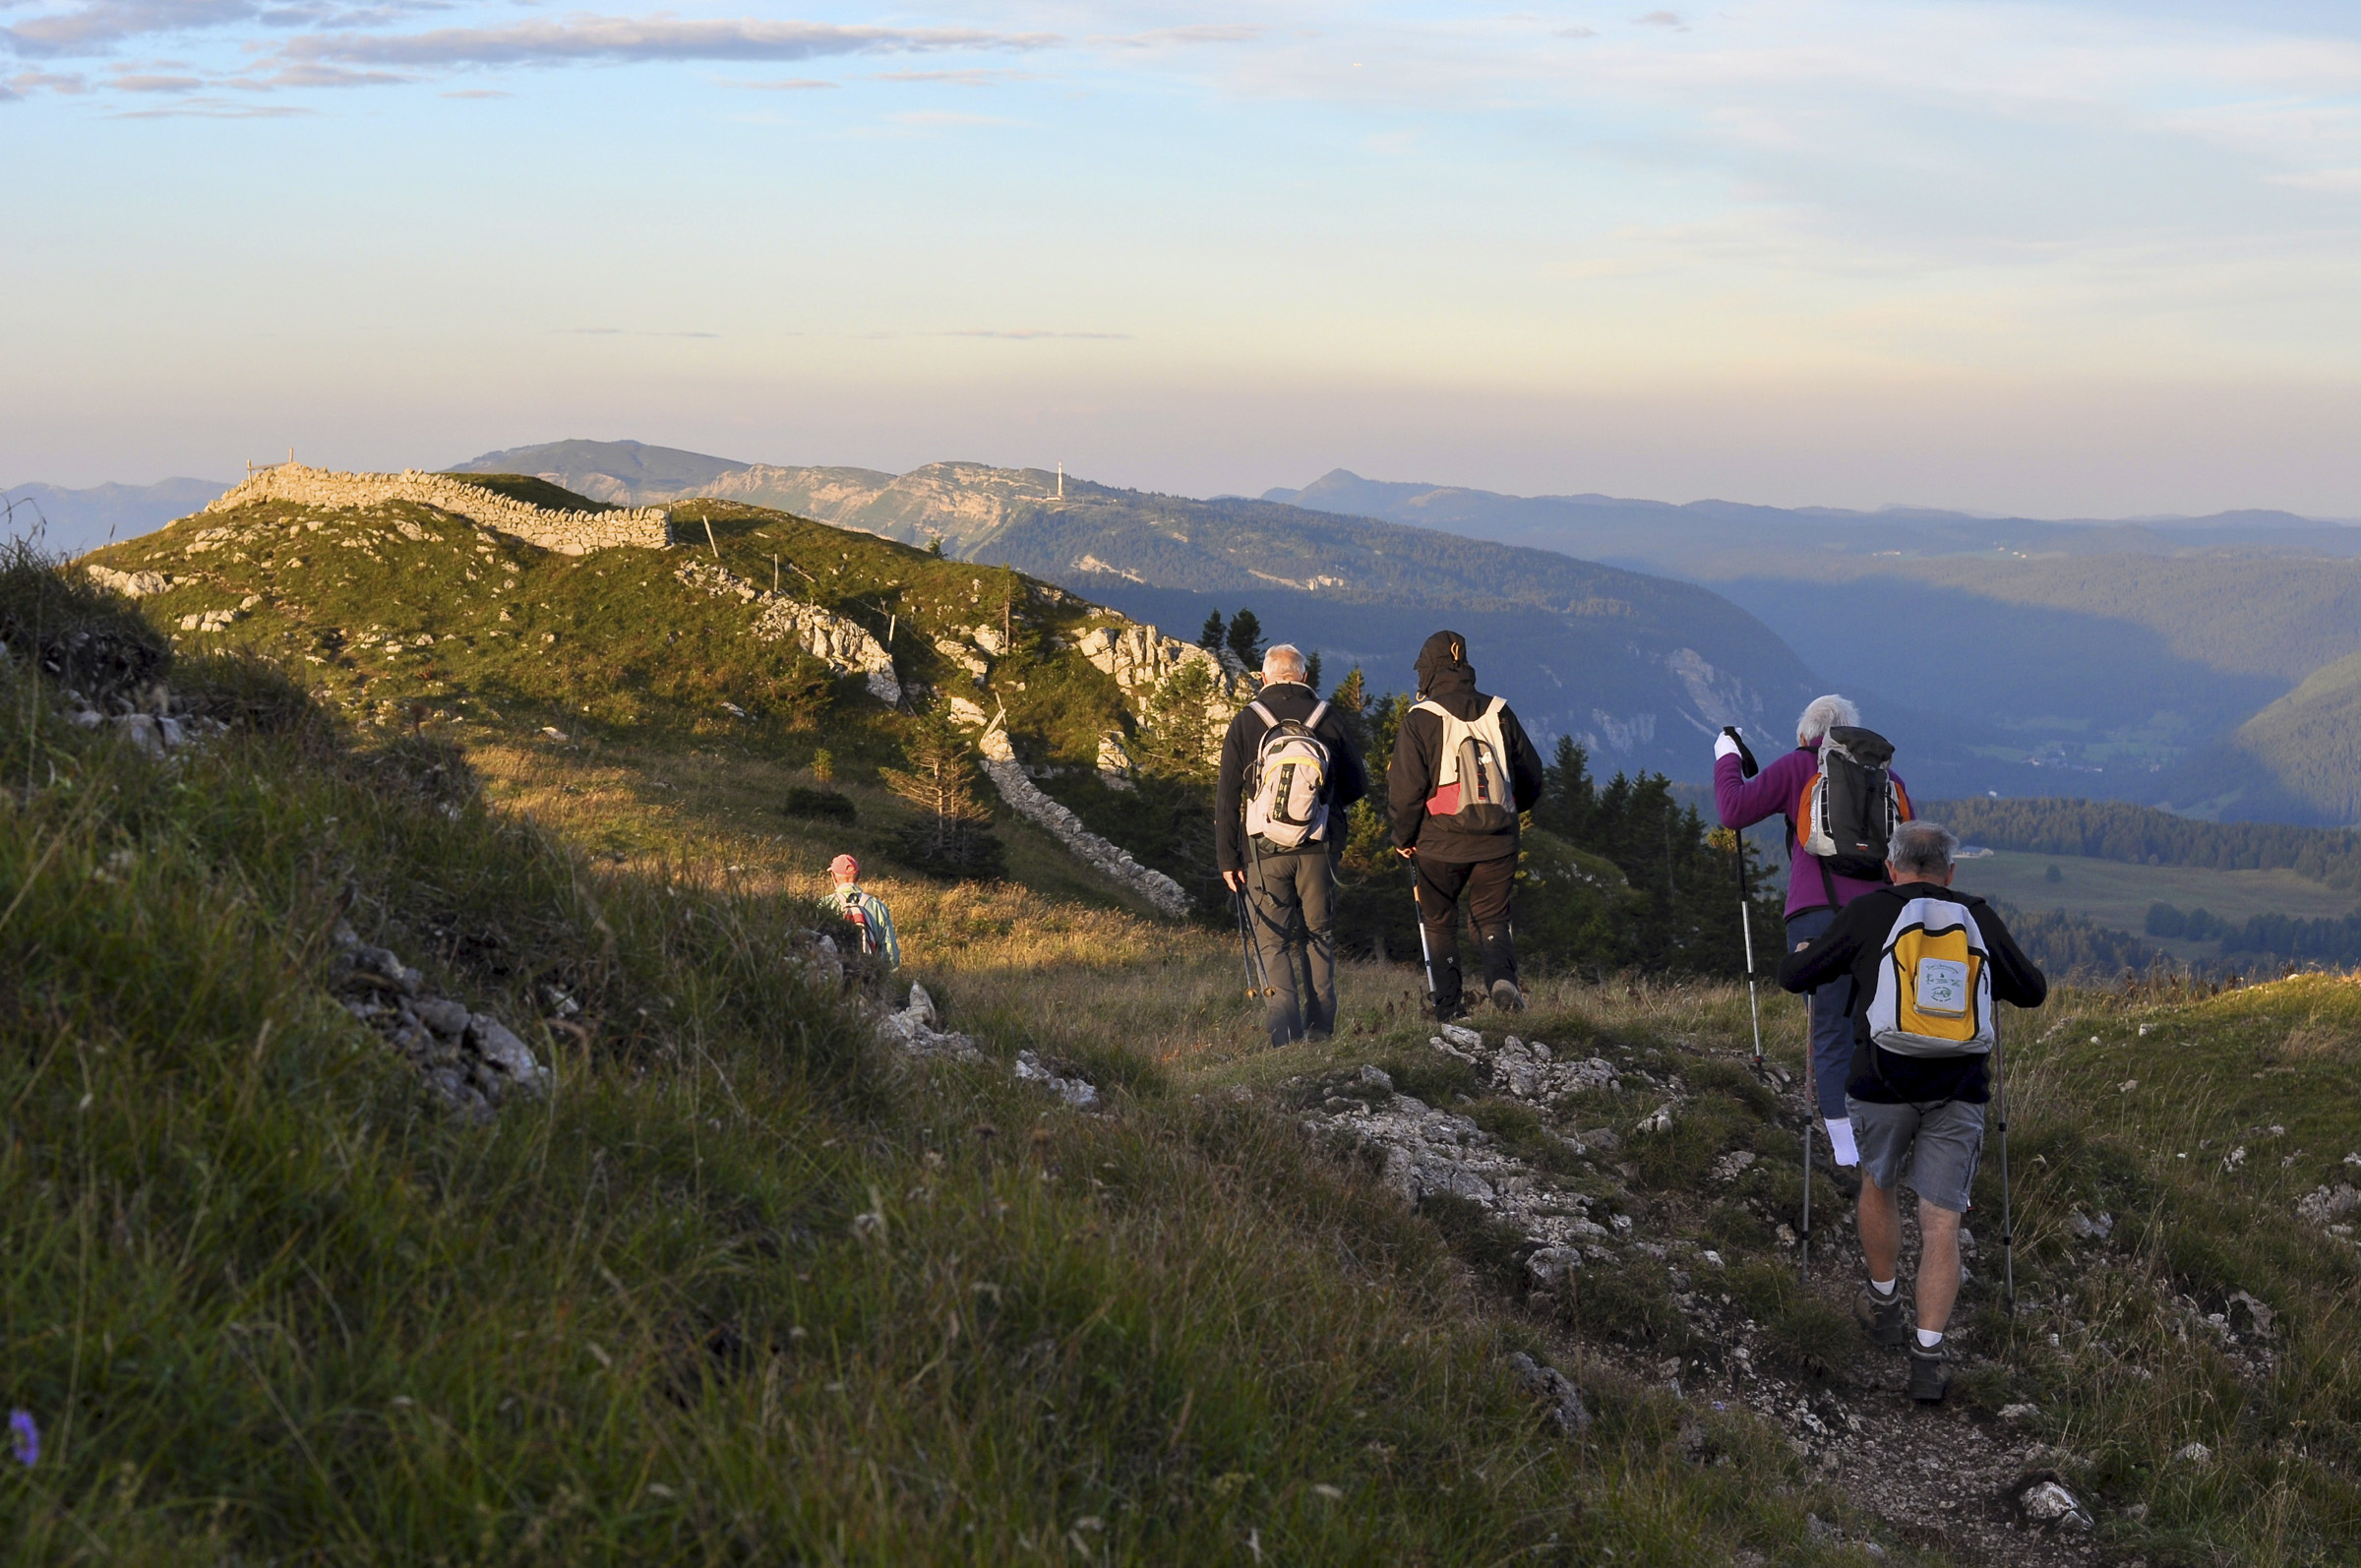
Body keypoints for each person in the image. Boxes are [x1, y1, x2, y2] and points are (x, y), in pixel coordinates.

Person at [1777, 820, 2047, 1403]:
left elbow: (1795, 976)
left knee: (1878, 1184)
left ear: (1891, 868)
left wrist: (1804, 951)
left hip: (1880, 1082)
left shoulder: (1869, 913)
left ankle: (1884, 1305)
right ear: (1950, 872)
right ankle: (1927, 1358)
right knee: (1942, 1223)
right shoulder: (1977, 914)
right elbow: (2032, 989)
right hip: (1959, 1087)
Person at [1715, 694, 1907, 1170]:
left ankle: (1845, 1151)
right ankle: (1885, 1139)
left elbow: (1733, 811)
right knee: (1878, 1027)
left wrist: (1726, 758)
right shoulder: (1888, 778)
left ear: (1808, 735)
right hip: (1883, 918)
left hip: (1816, 914)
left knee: (1830, 1030)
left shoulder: (1801, 764)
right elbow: (1907, 851)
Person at [1216, 643, 1368, 1045]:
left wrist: (1227, 858)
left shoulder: (1248, 721)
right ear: (1304, 677)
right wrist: (1321, 803)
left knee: (1273, 941)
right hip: (1318, 849)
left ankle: (1284, 1034)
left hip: (1262, 853)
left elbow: (1227, 796)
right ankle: (1320, 1029)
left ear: (1264, 677)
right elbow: (1358, 784)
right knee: (1318, 935)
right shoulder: (1326, 717)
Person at [1388, 630, 1544, 1019]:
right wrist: (1509, 812)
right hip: (1498, 841)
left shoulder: (1420, 719)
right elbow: (1533, 776)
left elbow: (1406, 790)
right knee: (1492, 916)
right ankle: (1501, 980)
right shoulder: (1499, 711)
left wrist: (1403, 838)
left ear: (1428, 671)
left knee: (1440, 922)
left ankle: (1449, 1007)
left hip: (1440, 843)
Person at [824, 854, 900, 970]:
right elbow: (891, 957)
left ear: (834, 877)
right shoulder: (879, 907)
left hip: (832, 976)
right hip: (868, 977)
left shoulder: (824, 904)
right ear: (858, 876)